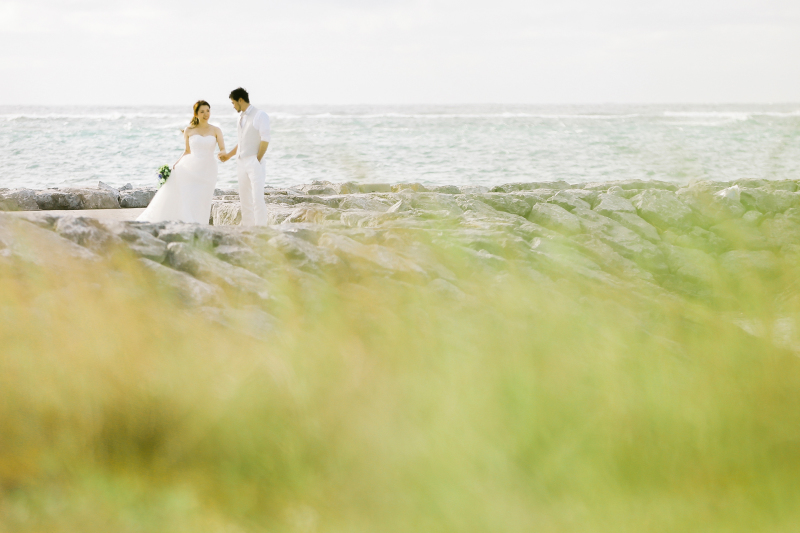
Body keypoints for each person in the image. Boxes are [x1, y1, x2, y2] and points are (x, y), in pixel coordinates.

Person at [137, 100, 224, 224]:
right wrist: (176, 164)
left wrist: (223, 153)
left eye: (208, 111)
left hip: (209, 169)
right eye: (202, 111)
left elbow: (222, 148)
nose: (206, 114)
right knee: (189, 196)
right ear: (196, 114)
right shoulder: (189, 130)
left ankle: (201, 224)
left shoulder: (216, 130)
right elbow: (187, 151)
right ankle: (190, 223)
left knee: (204, 198)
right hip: (191, 168)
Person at [218, 88, 270, 226]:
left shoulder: (260, 115)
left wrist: (257, 159)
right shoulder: (240, 117)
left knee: (257, 197)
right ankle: (247, 226)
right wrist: (229, 155)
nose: (233, 106)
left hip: (254, 160)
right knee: (244, 198)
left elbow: (265, 139)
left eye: (233, 103)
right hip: (241, 162)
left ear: (240, 100)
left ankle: (261, 227)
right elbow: (242, 141)